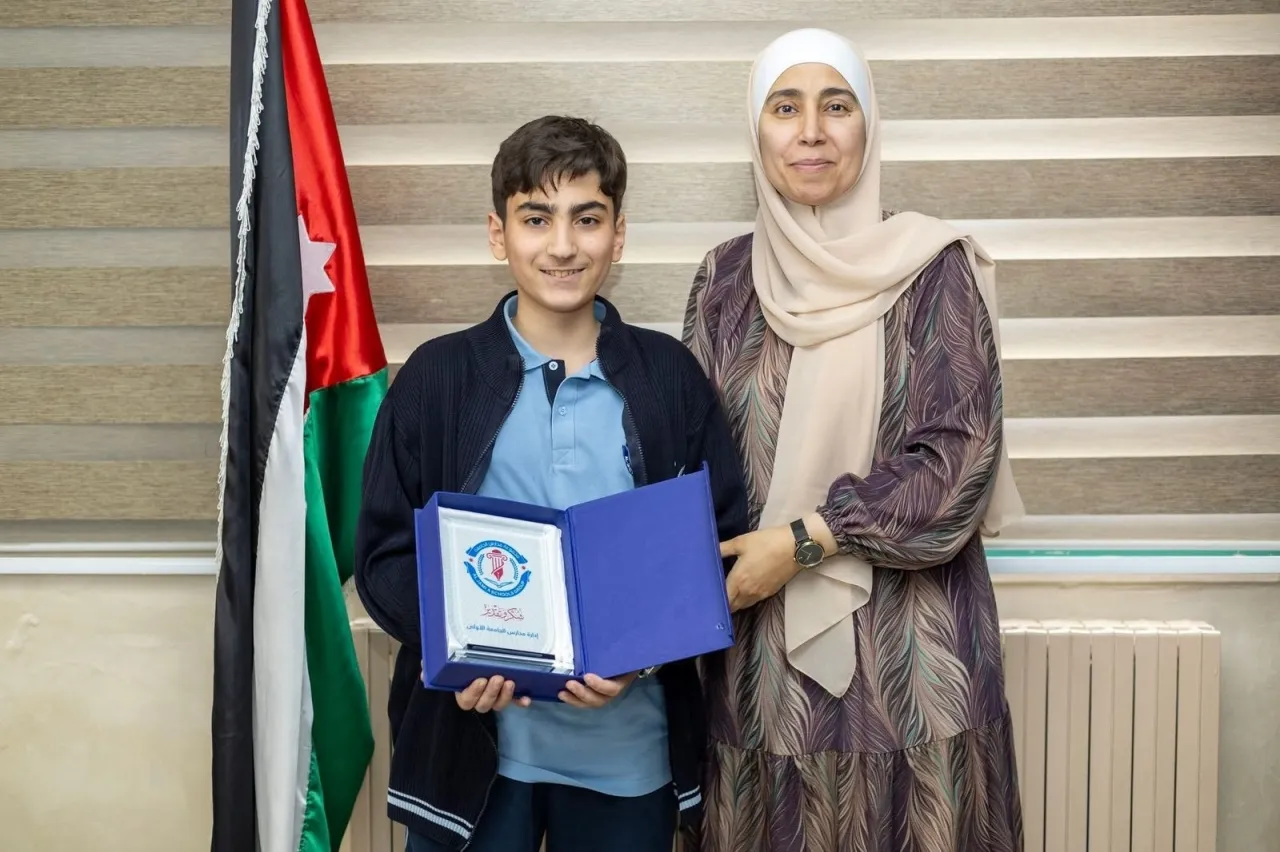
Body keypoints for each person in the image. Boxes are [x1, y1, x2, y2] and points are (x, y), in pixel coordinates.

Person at [353, 115, 748, 852]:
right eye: (536, 219)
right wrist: (456, 648)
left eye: (586, 219)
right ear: (497, 233)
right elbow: (384, 552)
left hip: (628, 757)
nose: (562, 246)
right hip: (468, 756)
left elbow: (717, 545)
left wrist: (644, 655)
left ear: (618, 236)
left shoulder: (669, 378)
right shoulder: (437, 378)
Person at [681, 29, 1027, 851]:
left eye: (836, 106)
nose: (811, 131)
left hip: (916, 669)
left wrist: (803, 541)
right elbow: (690, 464)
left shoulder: (934, 268)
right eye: (784, 108)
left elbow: (957, 466)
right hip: (761, 670)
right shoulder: (724, 279)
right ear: (755, 130)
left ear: (869, 126)